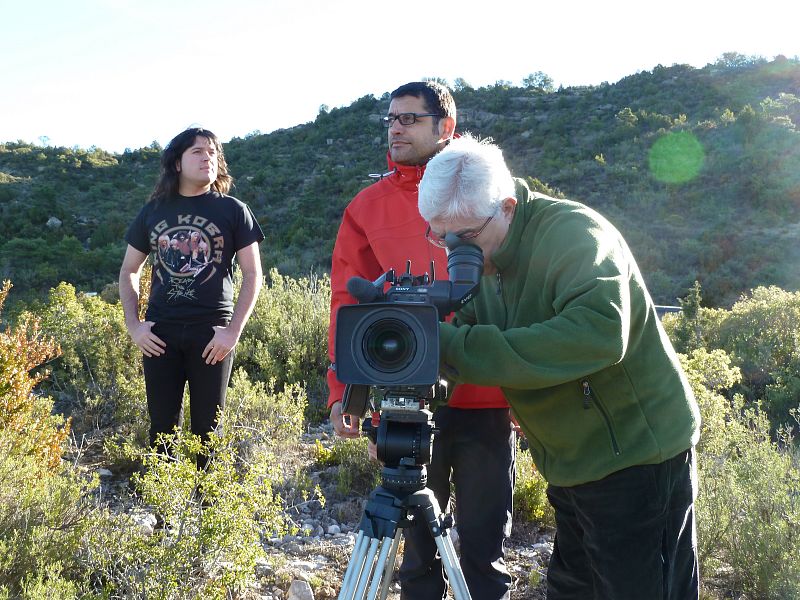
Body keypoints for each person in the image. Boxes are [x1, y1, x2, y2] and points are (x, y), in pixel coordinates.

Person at [417, 134, 702, 600]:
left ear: (507, 207)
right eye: (439, 235)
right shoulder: (482, 259)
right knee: (573, 590)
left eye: (464, 237)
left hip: (635, 458)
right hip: (570, 465)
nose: (452, 250)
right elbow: (465, 340)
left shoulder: (575, 234)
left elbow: (599, 332)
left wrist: (453, 346)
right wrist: (412, 354)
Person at [327, 82, 515, 599]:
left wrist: (523, 389)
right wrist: (343, 388)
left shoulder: (489, 191)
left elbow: (518, 289)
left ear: (445, 126)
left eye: (409, 118)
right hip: (403, 401)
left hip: (485, 398)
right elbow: (346, 301)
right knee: (415, 559)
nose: (396, 128)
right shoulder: (366, 207)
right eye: (391, 118)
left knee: (483, 552)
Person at [119, 127, 264, 467]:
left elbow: (253, 274)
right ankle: (164, 501)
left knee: (208, 431)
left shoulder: (234, 210)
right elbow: (128, 270)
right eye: (197, 151)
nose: (207, 158)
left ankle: (208, 500)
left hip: (212, 334)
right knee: (161, 430)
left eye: (212, 152)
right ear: (177, 163)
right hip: (160, 334)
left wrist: (232, 332)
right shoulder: (153, 211)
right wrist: (135, 326)